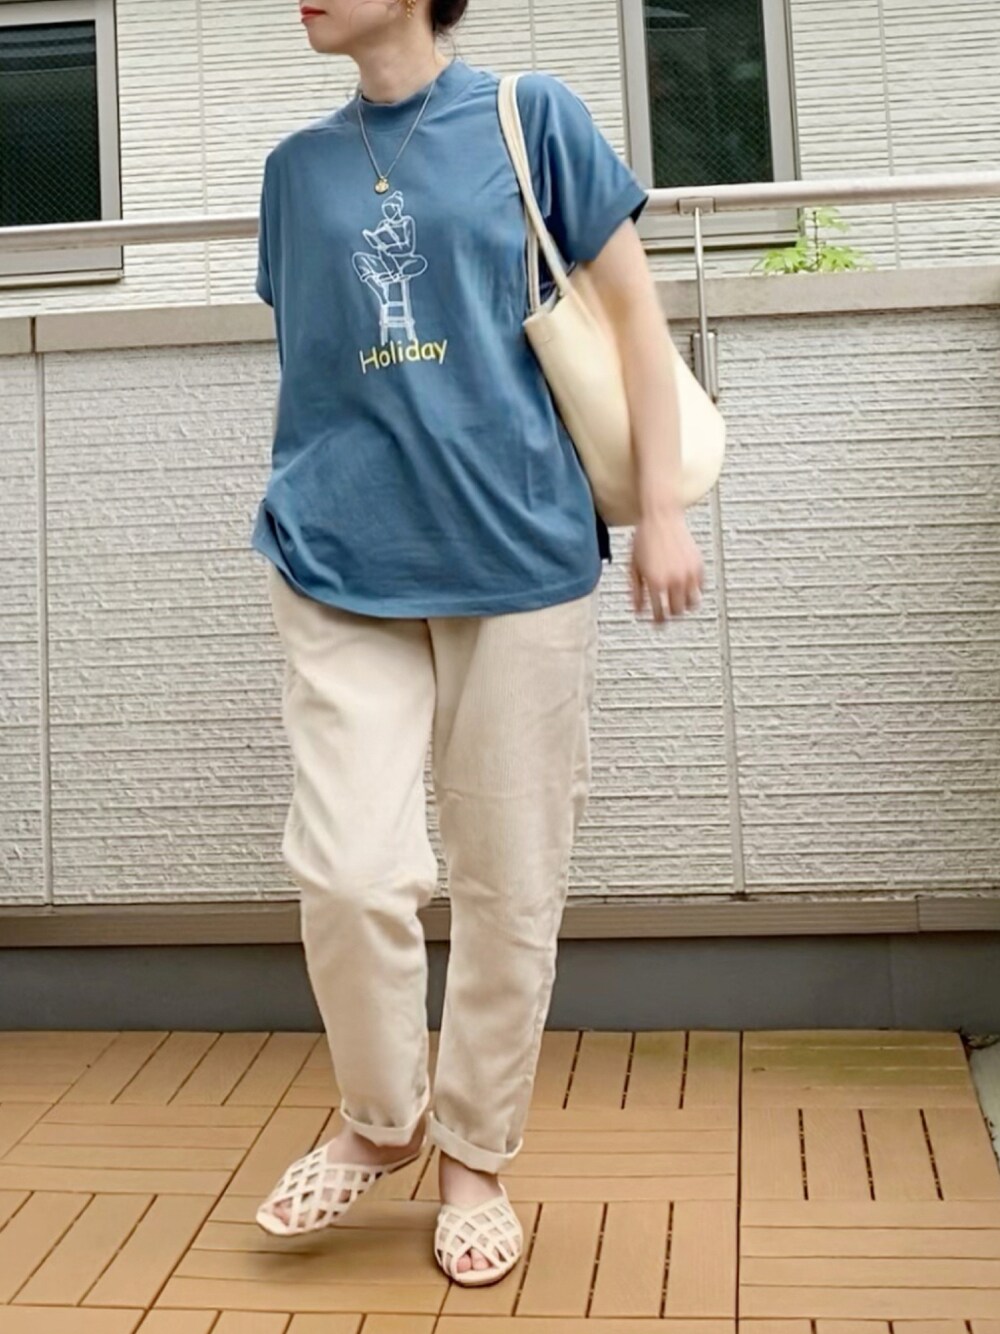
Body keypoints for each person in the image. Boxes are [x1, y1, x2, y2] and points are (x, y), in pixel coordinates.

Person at [252, 0, 705, 1288]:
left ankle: (475, 1157)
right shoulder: (296, 170)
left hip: (517, 556)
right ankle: (382, 1119)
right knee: (347, 870)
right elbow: (320, 364)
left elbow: (633, 320)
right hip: (338, 560)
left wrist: (662, 507)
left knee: (508, 881)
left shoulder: (530, 118)